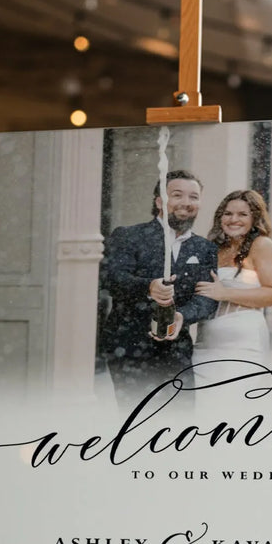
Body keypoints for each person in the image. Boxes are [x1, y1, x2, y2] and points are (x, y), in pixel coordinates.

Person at [97, 169, 218, 402]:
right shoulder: (129, 236)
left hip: (177, 350)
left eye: (194, 197)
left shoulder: (205, 249)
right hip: (129, 347)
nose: (186, 202)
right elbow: (111, 278)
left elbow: (207, 299)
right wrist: (148, 287)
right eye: (177, 195)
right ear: (159, 201)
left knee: (180, 421)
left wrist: (184, 315)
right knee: (137, 420)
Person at [191, 190, 272, 387]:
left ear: (255, 218)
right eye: (228, 214)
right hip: (205, 342)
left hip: (242, 343)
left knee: (232, 405)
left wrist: (225, 293)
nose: (233, 219)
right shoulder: (213, 247)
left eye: (242, 214)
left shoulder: (262, 245)